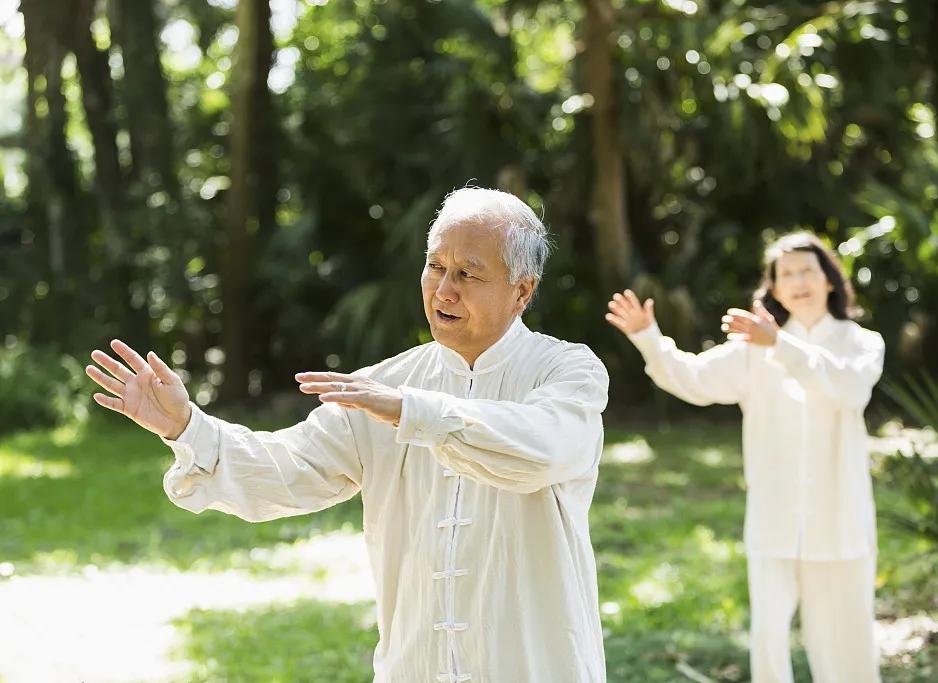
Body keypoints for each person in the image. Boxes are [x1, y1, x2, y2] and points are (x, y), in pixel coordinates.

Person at [86, 187, 610, 683]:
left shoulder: (567, 372)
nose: (444, 290)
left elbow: (540, 449)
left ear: (522, 291)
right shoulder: (381, 386)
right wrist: (186, 427)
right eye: (435, 267)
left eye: (468, 274)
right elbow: (288, 469)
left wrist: (412, 410)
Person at [606, 232, 884, 683]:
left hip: (840, 521)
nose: (798, 281)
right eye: (785, 274)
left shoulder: (861, 342)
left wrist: (780, 345)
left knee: (847, 644)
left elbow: (849, 390)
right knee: (769, 639)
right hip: (774, 520)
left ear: (830, 280)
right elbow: (693, 378)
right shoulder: (753, 351)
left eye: (807, 270)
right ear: (772, 289)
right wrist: (648, 338)